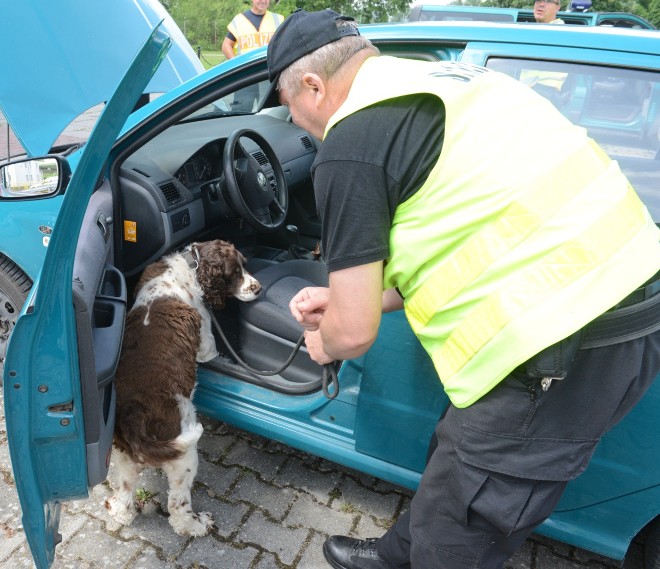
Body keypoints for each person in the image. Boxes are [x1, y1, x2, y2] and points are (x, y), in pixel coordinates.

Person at [267, 9, 660, 569]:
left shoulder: (352, 142)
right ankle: (396, 555)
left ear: (313, 84)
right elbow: (467, 234)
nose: (293, 119)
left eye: (289, 103)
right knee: (459, 462)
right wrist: (358, 297)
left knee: (465, 523)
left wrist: (326, 340)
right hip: (610, 292)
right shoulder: (463, 84)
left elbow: (351, 336)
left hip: (565, 339)